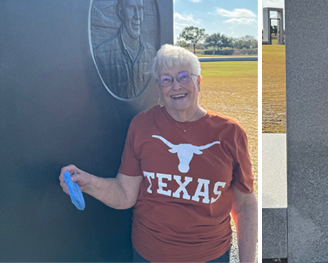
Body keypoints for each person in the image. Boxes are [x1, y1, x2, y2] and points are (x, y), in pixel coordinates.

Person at [59, 44, 256, 262]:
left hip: (210, 256)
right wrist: (86, 182)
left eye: (183, 77)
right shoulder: (142, 126)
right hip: (149, 255)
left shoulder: (230, 133)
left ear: (198, 82)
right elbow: (125, 194)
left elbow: (245, 205)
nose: (176, 86)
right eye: (166, 79)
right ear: (158, 87)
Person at [94, 0, 156, 99]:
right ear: (120, 11)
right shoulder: (101, 55)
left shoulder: (152, 54)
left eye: (140, 8)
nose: (137, 16)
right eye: (131, 8)